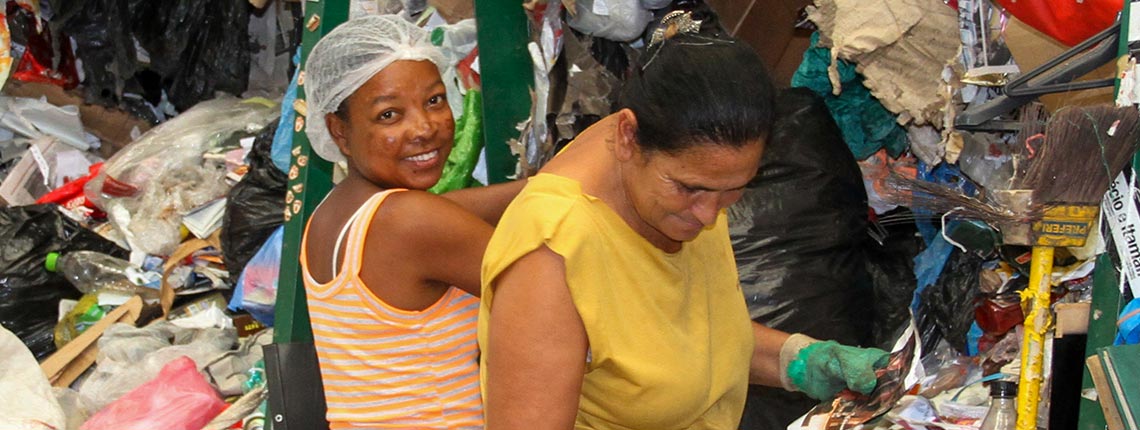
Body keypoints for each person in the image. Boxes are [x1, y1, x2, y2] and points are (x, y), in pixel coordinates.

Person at [477, 12, 889, 429]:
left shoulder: (673, 176)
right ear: (626, 137)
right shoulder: (552, 259)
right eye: (689, 188)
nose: (710, 214)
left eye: (733, 188)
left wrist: (800, 360)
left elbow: (691, 345)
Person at [300, 15, 520, 429]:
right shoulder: (410, 222)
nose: (424, 128)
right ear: (339, 132)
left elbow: (454, 210)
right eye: (389, 115)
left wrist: (552, 185)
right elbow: (554, 298)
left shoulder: (334, 215)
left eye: (435, 100)